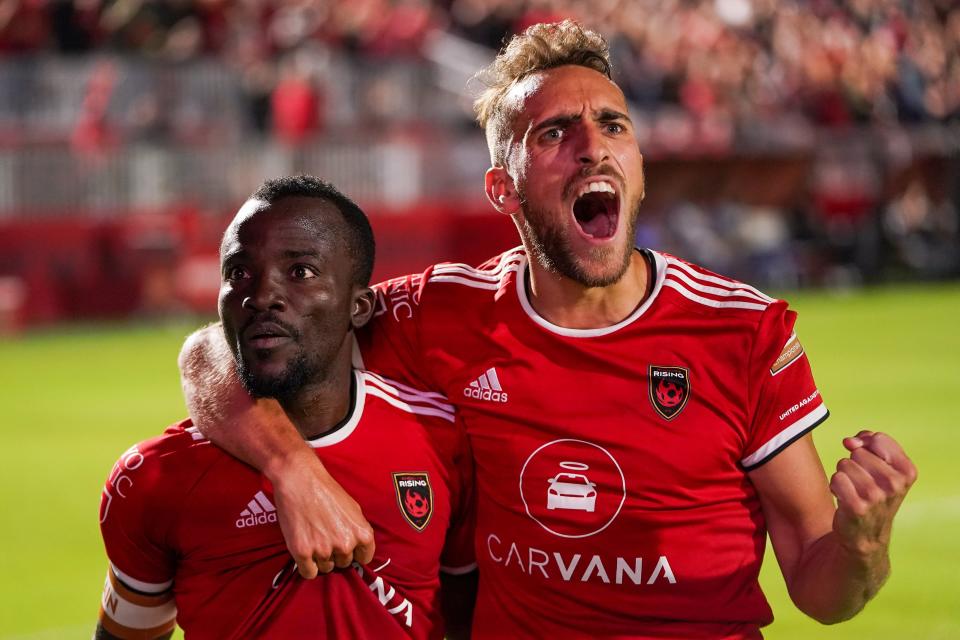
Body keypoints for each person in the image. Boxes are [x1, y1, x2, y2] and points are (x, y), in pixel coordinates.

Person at [179, 21, 917, 639]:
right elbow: (214, 351)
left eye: (612, 125)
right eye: (556, 132)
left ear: (636, 164)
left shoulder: (741, 329)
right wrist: (291, 469)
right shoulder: (441, 312)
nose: (592, 146)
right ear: (503, 189)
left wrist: (861, 546)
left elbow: (825, 594)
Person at [97, 176, 476, 639]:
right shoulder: (155, 476)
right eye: (238, 273)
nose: (260, 296)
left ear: (359, 307)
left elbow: (468, 612)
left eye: (300, 272)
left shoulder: (440, 435)